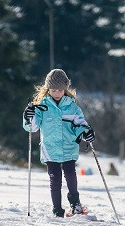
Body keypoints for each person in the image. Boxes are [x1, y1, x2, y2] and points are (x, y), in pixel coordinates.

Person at [22, 68, 95, 218]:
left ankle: (75, 203)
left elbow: (79, 124)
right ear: (48, 89)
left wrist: (85, 132)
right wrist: (28, 116)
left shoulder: (72, 106)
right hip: (50, 148)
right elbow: (33, 127)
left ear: (65, 89)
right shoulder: (42, 106)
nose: (56, 93)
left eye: (60, 90)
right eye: (53, 90)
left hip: (68, 146)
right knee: (55, 179)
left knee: (70, 175)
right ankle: (57, 209)